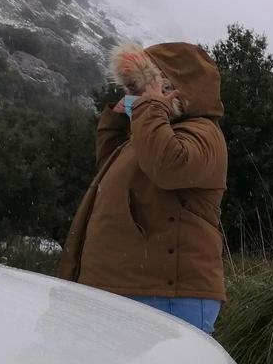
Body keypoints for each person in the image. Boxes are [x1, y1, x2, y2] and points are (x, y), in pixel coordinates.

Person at [58, 42, 228, 335]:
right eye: (132, 89)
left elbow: (168, 167)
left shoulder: (203, 133)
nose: (134, 96)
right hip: (132, 288)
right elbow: (110, 168)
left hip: (167, 296)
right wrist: (118, 117)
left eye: (142, 87)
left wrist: (150, 108)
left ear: (173, 88)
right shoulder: (149, 131)